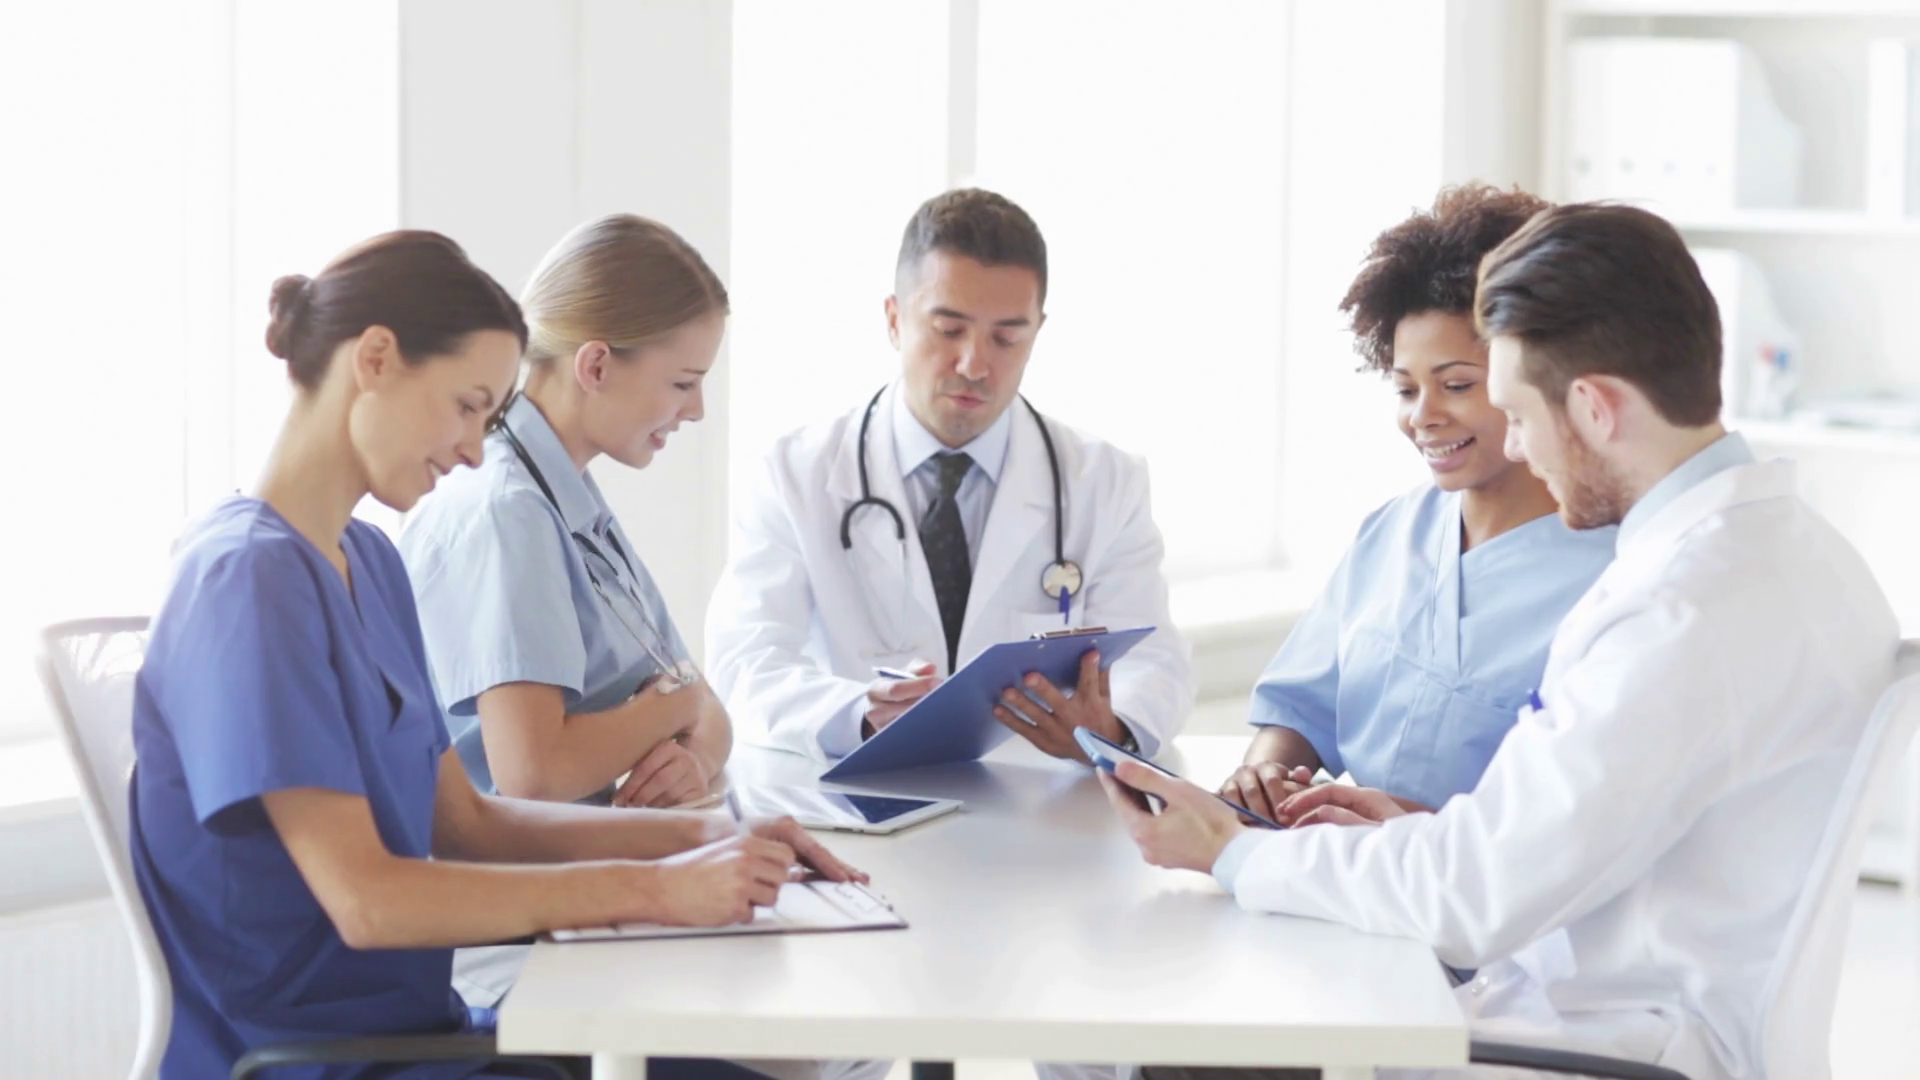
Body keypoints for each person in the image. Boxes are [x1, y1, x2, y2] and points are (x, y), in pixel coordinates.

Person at [1097, 204, 1899, 1080]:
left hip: (1584, 1046)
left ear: (1593, 407)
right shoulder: (1797, 552)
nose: (1512, 443)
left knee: (1168, 1035)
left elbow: (1472, 900)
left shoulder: (1678, 611)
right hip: (1602, 1001)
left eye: (1514, 409)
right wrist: (1423, 832)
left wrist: (1237, 851)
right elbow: (1559, 839)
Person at [129, 231, 861, 1080]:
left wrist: (715, 835)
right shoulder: (246, 579)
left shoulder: (366, 558)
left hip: (427, 1029)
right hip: (327, 1061)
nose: (478, 447)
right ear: (374, 359)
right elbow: (366, 901)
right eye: (470, 404)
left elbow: (469, 823)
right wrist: (663, 890)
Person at [706, 188, 1194, 763]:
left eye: (1007, 336)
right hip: (860, 800)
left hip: (1038, 815)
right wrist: (859, 713)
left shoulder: (1104, 481)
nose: (974, 364)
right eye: (948, 329)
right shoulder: (796, 475)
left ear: (1037, 331)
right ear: (894, 319)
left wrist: (1110, 728)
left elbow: (1155, 659)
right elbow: (746, 661)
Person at [1219, 185, 1615, 823]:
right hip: (1337, 881)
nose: (1423, 418)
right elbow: (1299, 709)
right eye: (1406, 389)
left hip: (1484, 905)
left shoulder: (1611, 575)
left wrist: (1403, 829)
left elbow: (1581, 820)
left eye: (1457, 384)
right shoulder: (1394, 531)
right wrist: (1262, 775)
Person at [402, 214, 731, 813]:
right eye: (683, 383)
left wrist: (695, 758)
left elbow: (709, 708)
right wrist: (672, 709)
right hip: (521, 876)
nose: (697, 410)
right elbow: (535, 772)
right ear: (596, 366)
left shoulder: (570, 497)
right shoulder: (508, 511)